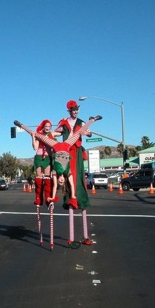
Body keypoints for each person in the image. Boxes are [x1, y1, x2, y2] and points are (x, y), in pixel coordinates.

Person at [15, 112, 101, 248]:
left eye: (61, 182)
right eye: (62, 182)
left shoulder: (55, 173)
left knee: (74, 133)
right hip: (64, 146)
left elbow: (55, 189)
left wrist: (53, 198)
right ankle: (21, 125)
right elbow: (69, 188)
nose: (61, 182)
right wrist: (62, 197)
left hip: (59, 146)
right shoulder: (67, 174)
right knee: (38, 134)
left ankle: (93, 119)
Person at [55, 100, 94, 246]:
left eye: (77, 109)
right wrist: (43, 133)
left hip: (76, 153)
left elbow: (88, 133)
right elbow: (55, 133)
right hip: (64, 152)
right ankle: (71, 237)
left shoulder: (81, 122)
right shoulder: (63, 123)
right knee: (63, 177)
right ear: (69, 110)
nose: (75, 112)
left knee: (78, 182)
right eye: (73, 110)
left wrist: (87, 131)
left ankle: (85, 236)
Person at [31, 119, 58, 206]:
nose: (48, 128)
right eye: (46, 126)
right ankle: (38, 198)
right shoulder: (39, 135)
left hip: (47, 158)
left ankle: (47, 197)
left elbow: (62, 132)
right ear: (43, 127)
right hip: (39, 157)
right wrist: (33, 136)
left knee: (47, 178)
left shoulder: (52, 134)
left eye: (49, 126)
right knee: (38, 178)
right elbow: (35, 147)